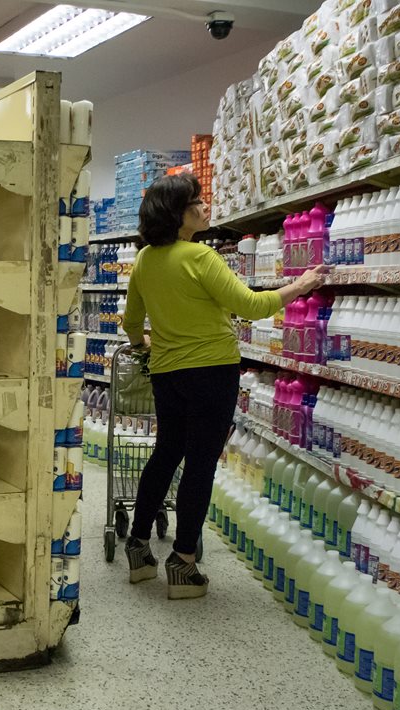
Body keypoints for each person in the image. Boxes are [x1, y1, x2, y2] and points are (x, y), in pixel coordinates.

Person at [122, 173, 326, 599]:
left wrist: (145, 343)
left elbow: (130, 324)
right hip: (212, 372)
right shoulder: (199, 257)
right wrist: (302, 284)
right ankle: (183, 564)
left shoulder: (145, 261)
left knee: (166, 454)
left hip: (166, 372)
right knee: (200, 463)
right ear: (176, 214)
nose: (203, 206)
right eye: (195, 201)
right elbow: (250, 306)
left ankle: (139, 550)